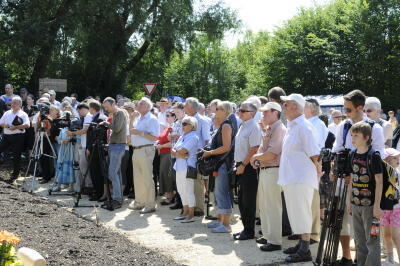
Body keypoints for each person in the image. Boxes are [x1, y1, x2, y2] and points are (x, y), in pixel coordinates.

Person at [332, 89, 385, 266]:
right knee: (355, 233)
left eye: (348, 110)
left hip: (369, 196)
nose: (345, 114)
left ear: (360, 107)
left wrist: (378, 203)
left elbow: (379, 165)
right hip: (351, 190)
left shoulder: (374, 128)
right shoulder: (344, 127)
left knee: (371, 237)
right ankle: (351, 258)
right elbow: (337, 150)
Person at [278, 93, 322, 263]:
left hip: (300, 178)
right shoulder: (293, 126)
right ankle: (301, 243)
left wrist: (317, 170)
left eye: (286, 104)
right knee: (296, 213)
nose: (284, 107)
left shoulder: (304, 126)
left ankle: (304, 249)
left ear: (295, 106)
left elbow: (314, 154)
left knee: (302, 213)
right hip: (292, 177)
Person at [250, 102, 287, 251]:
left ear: (275, 112)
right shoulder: (269, 128)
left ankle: (275, 240)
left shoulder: (279, 129)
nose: (263, 114)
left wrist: (254, 159)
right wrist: (257, 159)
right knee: (265, 206)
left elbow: (272, 153)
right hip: (266, 170)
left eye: (266, 112)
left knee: (272, 206)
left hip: (274, 170)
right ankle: (267, 235)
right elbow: (263, 152)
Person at [346, 122, 383, 266]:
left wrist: (377, 206)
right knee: (359, 240)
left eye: (356, 136)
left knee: (372, 240)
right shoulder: (352, 154)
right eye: (352, 135)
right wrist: (350, 202)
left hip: (371, 206)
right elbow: (352, 179)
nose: (353, 139)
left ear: (366, 137)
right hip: (356, 205)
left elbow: (379, 181)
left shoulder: (373, 155)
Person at [203, 101, 235, 233]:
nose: (216, 110)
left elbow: (226, 147)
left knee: (222, 193)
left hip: (223, 163)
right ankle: (220, 221)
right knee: (218, 193)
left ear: (226, 111)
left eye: (219, 108)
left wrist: (210, 153)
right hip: (219, 164)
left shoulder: (226, 125)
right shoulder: (223, 125)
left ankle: (226, 225)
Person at [232, 101, 261, 239]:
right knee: (242, 199)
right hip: (240, 164)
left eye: (243, 111)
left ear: (252, 113)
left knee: (248, 201)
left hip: (248, 166)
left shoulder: (253, 127)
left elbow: (254, 148)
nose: (240, 112)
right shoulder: (242, 126)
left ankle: (249, 231)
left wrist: (243, 165)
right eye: (240, 110)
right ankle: (246, 228)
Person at [129, 97, 160, 214]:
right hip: (136, 149)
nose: (138, 106)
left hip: (146, 149)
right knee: (137, 178)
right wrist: (131, 119)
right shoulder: (138, 118)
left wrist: (140, 133)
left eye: (141, 104)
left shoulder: (152, 119)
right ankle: (140, 201)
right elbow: (131, 130)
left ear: (147, 106)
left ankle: (150, 204)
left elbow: (155, 137)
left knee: (147, 177)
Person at [304, 98, 329, 244]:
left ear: (311, 108)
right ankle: (306, 231)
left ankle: (313, 232)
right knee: (307, 200)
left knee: (313, 200)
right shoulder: (309, 123)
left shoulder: (318, 124)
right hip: (307, 165)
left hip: (312, 165)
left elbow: (316, 147)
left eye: (304, 107)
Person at [184, 97, 211, 216]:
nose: (184, 107)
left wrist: (202, 155)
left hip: (197, 155)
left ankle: (199, 207)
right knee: (189, 182)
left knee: (198, 182)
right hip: (186, 155)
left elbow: (206, 139)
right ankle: (191, 206)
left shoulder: (202, 120)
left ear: (191, 107)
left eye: (186, 105)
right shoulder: (187, 119)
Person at [100, 97, 128, 210]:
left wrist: (106, 123)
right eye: (104, 107)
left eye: (107, 107)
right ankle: (117, 198)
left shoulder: (120, 113)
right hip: (115, 146)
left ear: (113, 104)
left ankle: (117, 199)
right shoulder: (116, 114)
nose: (106, 109)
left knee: (112, 173)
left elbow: (116, 129)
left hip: (118, 146)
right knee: (116, 173)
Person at [171, 116, 199, 223]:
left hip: (187, 167)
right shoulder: (183, 135)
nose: (182, 125)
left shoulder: (193, 136)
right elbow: (174, 149)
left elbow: (183, 151)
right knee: (181, 190)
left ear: (192, 126)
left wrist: (178, 153)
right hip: (179, 165)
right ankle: (185, 211)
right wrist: (178, 153)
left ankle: (191, 214)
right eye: (182, 123)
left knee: (188, 191)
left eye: (185, 124)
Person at [0, 96, 30, 182]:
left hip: (18, 137)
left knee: (16, 156)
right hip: (6, 136)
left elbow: (27, 125)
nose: (12, 104)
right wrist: (4, 125)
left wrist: (16, 127)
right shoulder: (7, 113)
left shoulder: (23, 114)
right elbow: (0, 123)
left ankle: (15, 175)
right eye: (12, 102)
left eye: (15, 103)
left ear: (20, 104)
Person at [67, 102, 93, 191]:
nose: (79, 113)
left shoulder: (88, 116)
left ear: (83, 109)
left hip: (86, 145)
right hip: (84, 144)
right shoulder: (85, 117)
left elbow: (84, 130)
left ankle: (89, 186)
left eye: (79, 111)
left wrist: (72, 133)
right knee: (82, 167)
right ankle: (87, 186)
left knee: (84, 167)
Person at [381, 148, 400, 266]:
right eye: (394, 158)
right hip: (384, 208)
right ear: (386, 160)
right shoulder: (381, 175)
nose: (398, 160)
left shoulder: (398, 173)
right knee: (386, 235)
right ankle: (390, 260)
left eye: (398, 157)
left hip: (397, 208)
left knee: (396, 236)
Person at [86, 100, 108, 201]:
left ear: (92, 108)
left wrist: (89, 148)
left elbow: (95, 136)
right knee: (94, 171)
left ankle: (99, 193)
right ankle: (97, 191)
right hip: (95, 148)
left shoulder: (100, 118)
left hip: (97, 149)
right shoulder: (97, 117)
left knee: (97, 171)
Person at [38, 104, 61, 184]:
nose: (50, 111)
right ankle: (45, 175)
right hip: (44, 139)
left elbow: (52, 130)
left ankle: (48, 176)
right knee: (42, 157)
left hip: (52, 141)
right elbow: (41, 127)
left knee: (47, 158)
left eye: (52, 109)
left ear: (57, 112)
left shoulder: (58, 120)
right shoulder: (46, 119)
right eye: (50, 109)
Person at [157, 110, 175, 204]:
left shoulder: (173, 128)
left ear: (173, 116)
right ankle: (168, 194)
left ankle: (170, 196)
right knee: (163, 173)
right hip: (163, 153)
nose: (166, 117)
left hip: (168, 153)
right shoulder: (167, 127)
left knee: (167, 174)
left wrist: (161, 146)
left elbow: (173, 143)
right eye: (166, 115)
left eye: (168, 115)